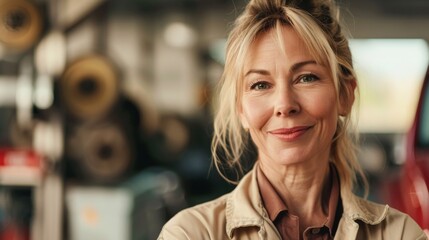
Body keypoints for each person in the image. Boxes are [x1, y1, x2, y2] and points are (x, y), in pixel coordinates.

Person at [158, 0, 428, 239]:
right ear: (241, 109)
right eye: (260, 85)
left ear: (345, 94)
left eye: (306, 78)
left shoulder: (399, 234)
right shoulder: (190, 234)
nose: (284, 105)